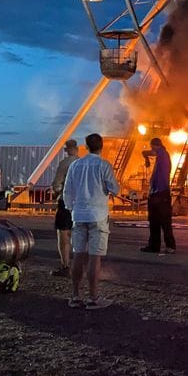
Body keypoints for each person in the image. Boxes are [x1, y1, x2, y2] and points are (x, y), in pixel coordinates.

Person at [62, 133, 119, 310]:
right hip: (98, 216)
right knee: (95, 257)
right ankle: (94, 298)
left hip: (78, 215)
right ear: (101, 146)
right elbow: (115, 189)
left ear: (85, 147)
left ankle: (75, 296)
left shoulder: (75, 165)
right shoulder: (104, 165)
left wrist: (72, 209)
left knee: (78, 255)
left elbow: (67, 192)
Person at [140, 138, 176, 254]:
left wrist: (145, 154)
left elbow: (155, 151)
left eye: (152, 147)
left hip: (161, 193)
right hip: (158, 193)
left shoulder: (162, 154)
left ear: (155, 146)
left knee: (163, 221)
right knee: (155, 221)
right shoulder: (162, 157)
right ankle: (155, 246)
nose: (152, 149)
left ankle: (168, 246)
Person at [50, 139, 79, 277]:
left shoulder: (64, 164)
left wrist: (57, 190)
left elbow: (56, 184)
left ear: (67, 150)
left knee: (63, 233)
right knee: (79, 235)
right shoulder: (83, 163)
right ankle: (80, 266)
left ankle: (65, 265)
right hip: (81, 204)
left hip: (66, 202)